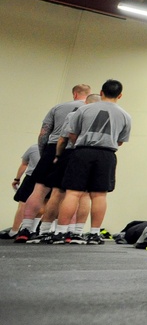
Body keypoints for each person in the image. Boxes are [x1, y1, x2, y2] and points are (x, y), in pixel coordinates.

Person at [54, 79, 131, 245]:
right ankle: (94, 233)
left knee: (72, 193)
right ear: (120, 95)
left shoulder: (83, 110)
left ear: (101, 92)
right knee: (99, 194)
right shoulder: (125, 115)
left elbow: (72, 134)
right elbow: (120, 141)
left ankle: (60, 232)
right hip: (107, 154)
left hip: (82, 151)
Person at [14, 83, 90, 243]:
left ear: (75, 94)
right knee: (76, 194)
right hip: (76, 150)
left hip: (52, 147)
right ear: (88, 95)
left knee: (39, 190)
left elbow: (43, 133)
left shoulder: (58, 107)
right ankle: (70, 232)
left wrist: (45, 154)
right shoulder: (91, 109)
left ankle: (26, 229)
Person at [7, 144, 41, 238]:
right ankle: (32, 230)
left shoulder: (34, 148)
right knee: (42, 204)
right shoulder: (56, 148)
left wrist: (17, 179)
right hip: (45, 179)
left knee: (23, 204)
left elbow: (24, 164)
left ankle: (14, 231)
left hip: (30, 178)